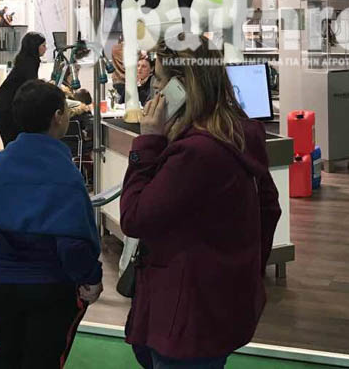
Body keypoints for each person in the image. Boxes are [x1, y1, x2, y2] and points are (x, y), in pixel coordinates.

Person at [119, 35, 281, 368]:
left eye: (160, 80)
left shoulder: (195, 153)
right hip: (217, 304)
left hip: (185, 315)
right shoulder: (238, 135)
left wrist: (147, 143)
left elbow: (134, 217)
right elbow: (269, 209)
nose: (156, 90)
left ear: (182, 86)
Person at [0, 80, 102, 369]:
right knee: (43, 360)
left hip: (3, 286)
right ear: (58, 117)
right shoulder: (65, 174)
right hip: (52, 287)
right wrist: (90, 277)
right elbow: (71, 242)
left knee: (6, 356)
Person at [0, 32, 46, 147]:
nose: (45, 48)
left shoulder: (26, 60)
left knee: (14, 144)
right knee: (13, 144)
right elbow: (30, 85)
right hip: (5, 109)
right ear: (35, 46)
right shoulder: (29, 62)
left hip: (4, 107)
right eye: (43, 45)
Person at [111, 36, 126, 103]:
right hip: (127, 81)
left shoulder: (114, 48)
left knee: (120, 103)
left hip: (117, 80)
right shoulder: (132, 49)